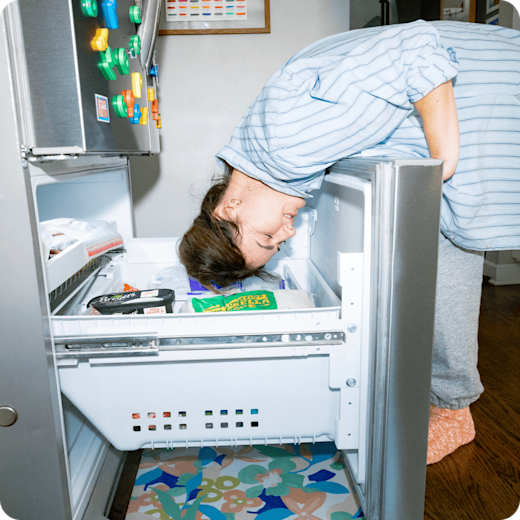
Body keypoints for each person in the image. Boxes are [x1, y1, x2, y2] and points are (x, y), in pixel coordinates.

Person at [179, 20, 520, 464]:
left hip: (494, 86)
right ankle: (444, 399)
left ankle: (453, 409)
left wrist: (445, 161)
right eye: (277, 243)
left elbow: (414, 47)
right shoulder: (267, 154)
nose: (287, 233)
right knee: (440, 237)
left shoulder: (284, 147)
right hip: (483, 86)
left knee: (443, 238)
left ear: (229, 208)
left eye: (266, 235)